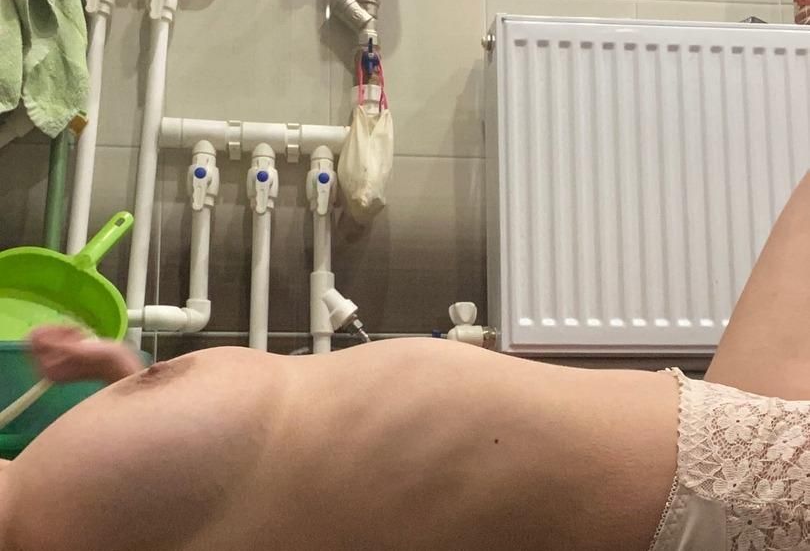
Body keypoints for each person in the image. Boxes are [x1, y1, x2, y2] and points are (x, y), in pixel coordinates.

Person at [4, 176, 810, 551]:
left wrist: (128, 378)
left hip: (708, 464)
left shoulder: (48, 498)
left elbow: (192, 496)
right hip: (704, 484)